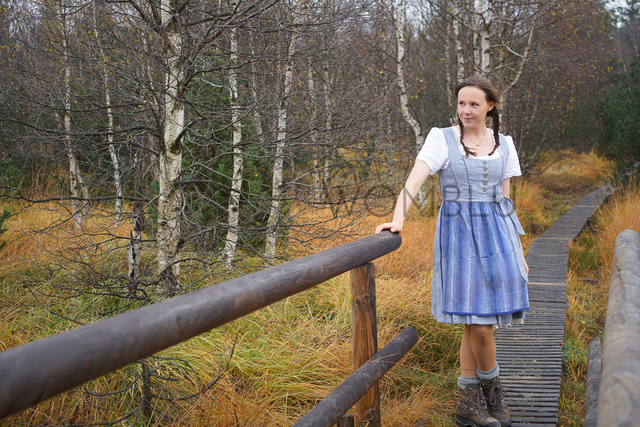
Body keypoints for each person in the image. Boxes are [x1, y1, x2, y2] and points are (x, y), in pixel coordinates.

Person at [375, 75, 529, 427]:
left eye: (474, 104)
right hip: (459, 238)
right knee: (479, 324)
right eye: (462, 103)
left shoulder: (504, 142)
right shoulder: (441, 138)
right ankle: (493, 390)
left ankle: (467, 404)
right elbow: (414, 180)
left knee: (474, 324)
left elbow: (506, 202)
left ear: (490, 106)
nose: (466, 110)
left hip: (498, 237)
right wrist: (398, 218)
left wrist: (518, 252)